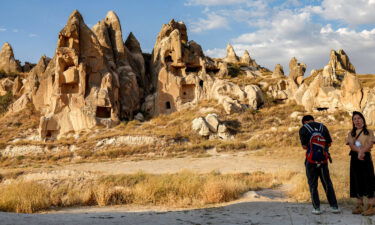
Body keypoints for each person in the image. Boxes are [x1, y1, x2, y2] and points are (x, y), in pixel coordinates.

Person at [299, 115, 340, 214]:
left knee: (313, 185)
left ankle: (316, 208)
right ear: (313, 120)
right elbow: (329, 143)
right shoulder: (322, 127)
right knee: (327, 183)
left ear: (304, 122)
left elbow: (304, 146)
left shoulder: (303, 129)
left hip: (311, 160)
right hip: (323, 160)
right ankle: (334, 207)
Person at [347, 111, 375, 216]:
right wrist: (359, 152)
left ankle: (372, 207)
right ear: (353, 122)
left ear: (363, 119)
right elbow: (351, 145)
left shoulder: (369, 131)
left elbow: (371, 144)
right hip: (355, 158)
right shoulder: (351, 133)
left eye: (359, 118)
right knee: (356, 180)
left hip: (366, 157)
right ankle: (359, 205)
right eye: (355, 119)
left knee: (368, 180)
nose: (357, 120)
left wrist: (362, 152)